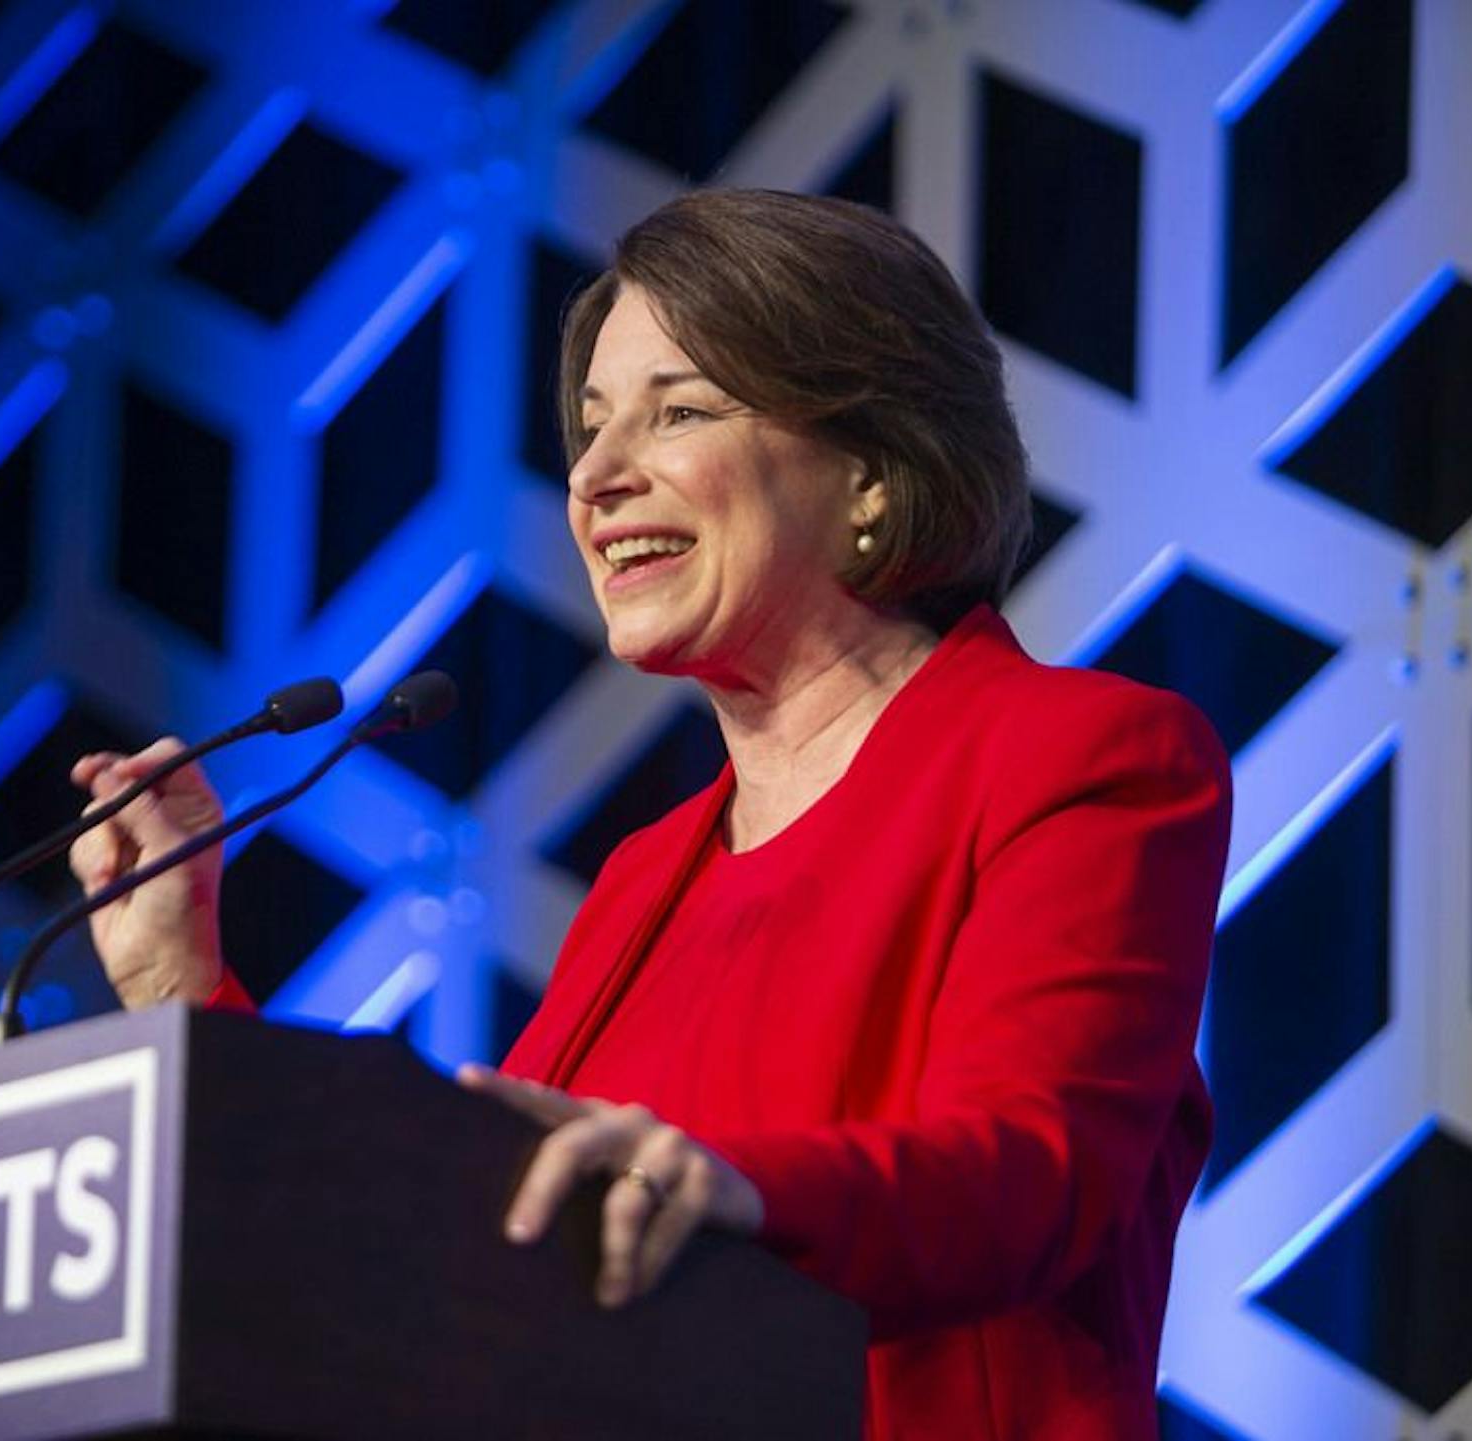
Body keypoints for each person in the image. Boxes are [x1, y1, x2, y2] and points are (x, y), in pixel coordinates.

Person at [66, 190, 1230, 1440]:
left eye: (679, 412)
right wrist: (185, 990)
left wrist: (734, 1196)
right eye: (590, 424)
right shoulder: (646, 877)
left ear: (871, 469)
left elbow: (1033, 1173)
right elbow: (449, 1239)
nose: (595, 476)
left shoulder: (1079, 757)